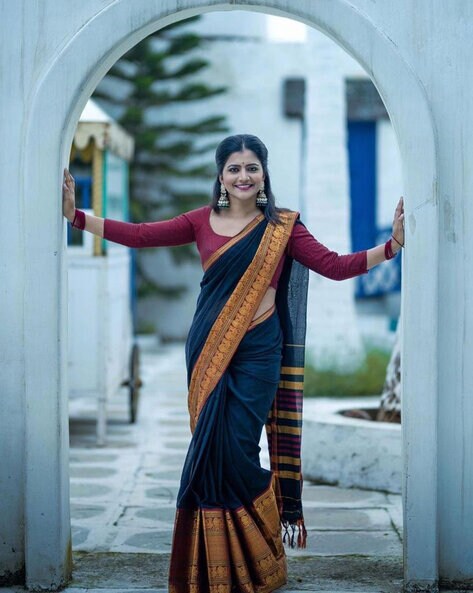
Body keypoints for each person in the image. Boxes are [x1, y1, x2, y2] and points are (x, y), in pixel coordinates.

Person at [63, 133, 404, 593]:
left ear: (264, 173)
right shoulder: (201, 221)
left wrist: (392, 246)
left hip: (260, 353)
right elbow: (141, 236)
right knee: (208, 455)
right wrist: (76, 217)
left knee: (239, 450)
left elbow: (334, 265)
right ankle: (213, 568)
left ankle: (257, 558)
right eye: (234, 169)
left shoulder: (283, 228)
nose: (244, 176)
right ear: (220, 176)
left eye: (252, 168)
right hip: (208, 350)